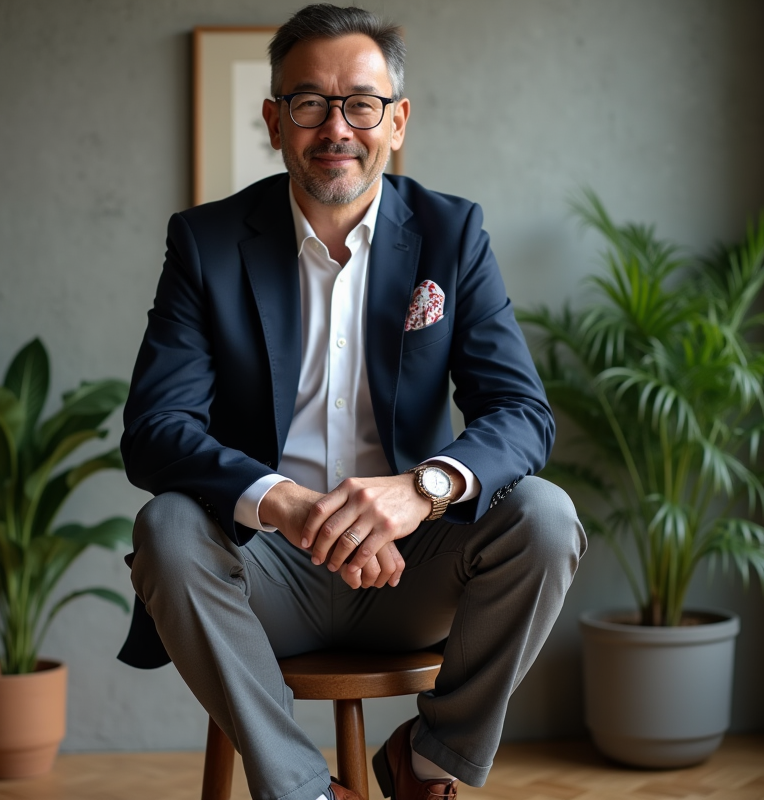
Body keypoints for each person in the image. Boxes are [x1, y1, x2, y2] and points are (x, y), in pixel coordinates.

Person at [117, 5, 586, 799]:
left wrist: (421, 490)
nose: (337, 127)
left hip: (411, 566)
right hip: (265, 574)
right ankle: (304, 790)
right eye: (310, 102)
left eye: (360, 103)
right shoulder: (207, 242)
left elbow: (520, 413)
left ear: (396, 122)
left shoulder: (452, 234)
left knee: (545, 516)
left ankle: (428, 760)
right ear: (275, 121)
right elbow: (154, 430)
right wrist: (285, 504)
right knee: (164, 527)